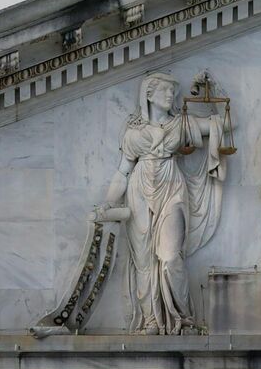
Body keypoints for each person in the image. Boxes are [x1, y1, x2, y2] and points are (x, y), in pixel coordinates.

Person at [89, 71, 228, 334]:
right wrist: (108, 203)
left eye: (173, 92)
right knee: (143, 261)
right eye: (166, 91)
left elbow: (224, 124)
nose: (171, 96)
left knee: (169, 256)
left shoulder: (182, 124)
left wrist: (214, 89)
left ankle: (182, 318)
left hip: (172, 188)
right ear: (149, 95)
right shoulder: (133, 133)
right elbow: (122, 172)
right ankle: (152, 319)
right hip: (139, 191)